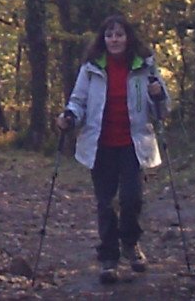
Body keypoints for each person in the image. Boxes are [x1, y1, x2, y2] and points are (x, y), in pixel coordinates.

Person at [57, 14, 170, 284]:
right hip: (100, 145)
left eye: (119, 34)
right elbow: (78, 101)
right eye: (109, 35)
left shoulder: (145, 66)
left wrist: (158, 95)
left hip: (133, 143)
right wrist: (69, 117)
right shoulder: (91, 67)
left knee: (131, 199)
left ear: (128, 37)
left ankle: (130, 243)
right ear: (103, 39)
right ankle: (109, 258)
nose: (114, 39)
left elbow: (162, 110)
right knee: (106, 203)